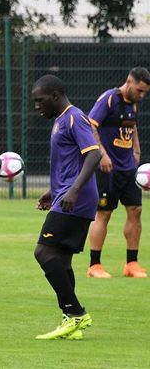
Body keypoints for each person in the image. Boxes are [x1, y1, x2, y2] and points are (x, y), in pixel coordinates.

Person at [31, 74, 101, 340]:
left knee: (43, 252)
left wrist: (72, 190)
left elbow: (93, 154)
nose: (37, 106)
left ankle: (75, 312)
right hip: (66, 195)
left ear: (55, 96)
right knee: (61, 259)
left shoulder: (74, 117)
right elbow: (69, 162)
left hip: (76, 199)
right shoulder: (60, 121)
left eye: (40, 100)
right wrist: (54, 190)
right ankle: (70, 321)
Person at [85, 67, 150, 279]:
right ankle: (94, 266)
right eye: (139, 90)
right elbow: (91, 125)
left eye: (144, 92)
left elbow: (132, 127)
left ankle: (131, 263)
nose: (141, 95)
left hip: (128, 168)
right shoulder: (109, 99)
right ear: (129, 82)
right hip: (107, 168)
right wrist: (102, 155)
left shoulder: (133, 103)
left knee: (136, 210)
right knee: (104, 213)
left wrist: (137, 150)